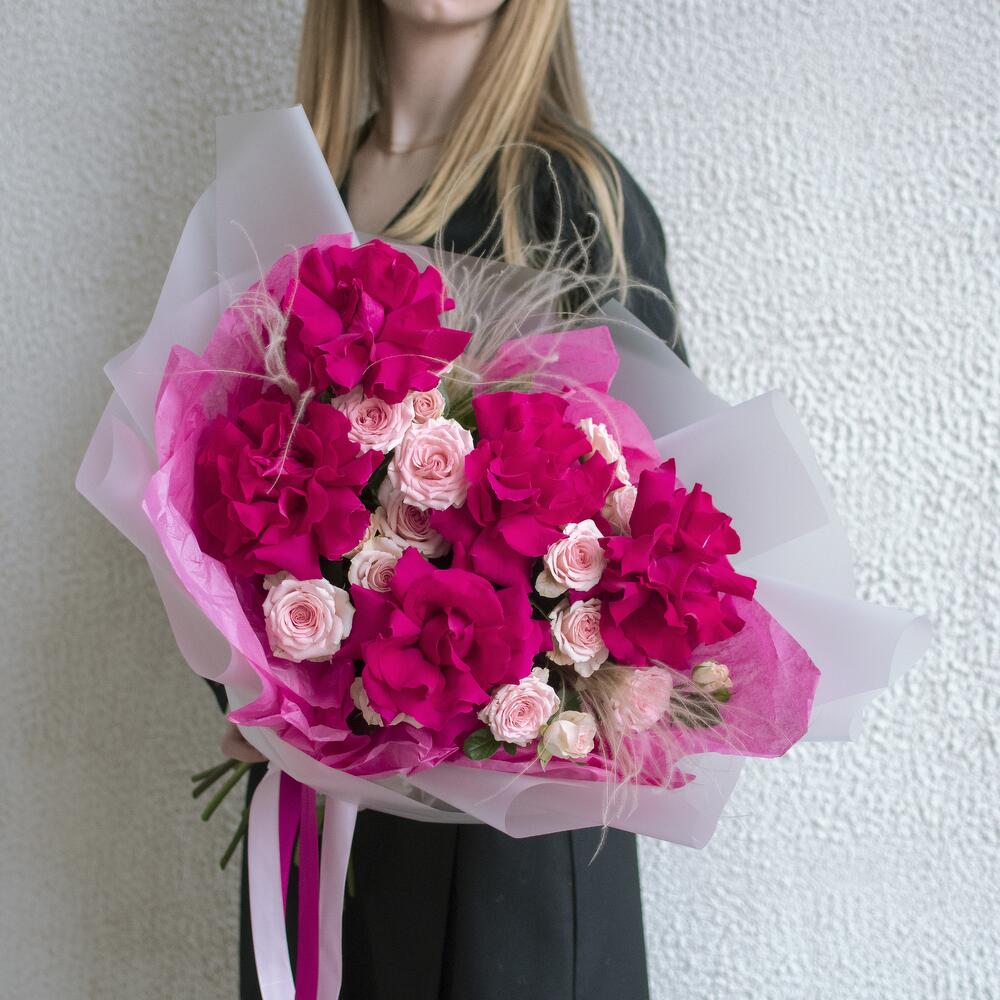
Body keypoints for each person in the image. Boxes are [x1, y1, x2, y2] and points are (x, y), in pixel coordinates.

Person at [219, 2, 688, 997]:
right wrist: (249, 682)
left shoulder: (566, 197)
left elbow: (656, 547)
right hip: (318, 826)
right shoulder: (296, 182)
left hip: (504, 859)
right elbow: (216, 493)